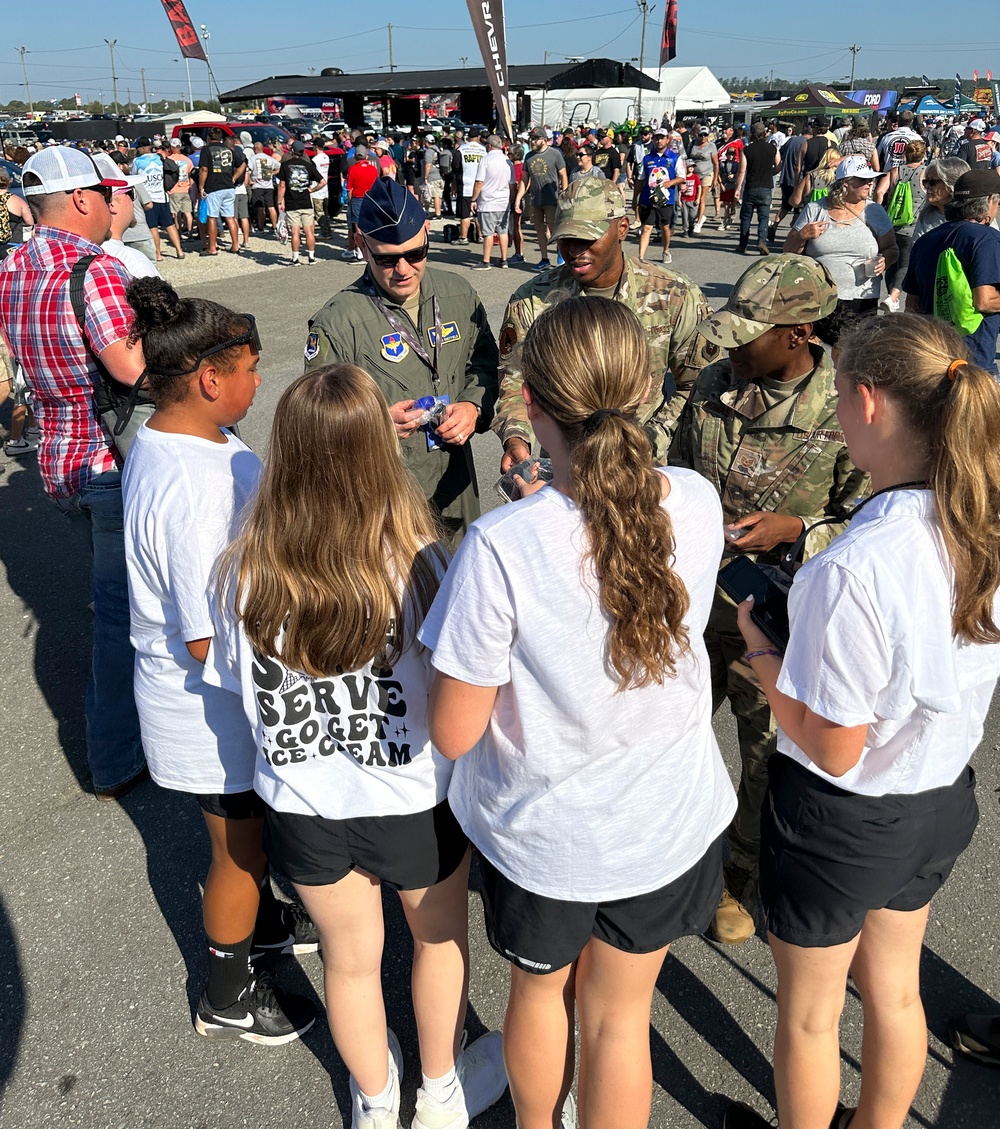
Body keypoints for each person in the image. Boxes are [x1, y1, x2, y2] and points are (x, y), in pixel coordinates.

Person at [421, 296, 737, 1129]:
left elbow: (454, 730)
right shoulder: (697, 501)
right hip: (665, 818)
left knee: (541, 993)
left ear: (528, 405)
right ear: (648, 386)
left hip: (547, 837)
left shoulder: (500, 545)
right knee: (619, 1015)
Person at [206, 365, 508, 1126]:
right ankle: (441, 1090)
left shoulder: (241, 569)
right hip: (413, 795)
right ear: (381, 448)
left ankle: (375, 1100)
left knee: (350, 957)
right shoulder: (425, 563)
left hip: (302, 800)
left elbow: (236, 690)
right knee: (437, 941)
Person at [725, 313, 1000, 1129]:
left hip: (843, 820)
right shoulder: (979, 521)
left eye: (840, 394)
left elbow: (837, 746)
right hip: (938, 796)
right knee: (896, 988)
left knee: (811, 1015)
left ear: (869, 403)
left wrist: (766, 663)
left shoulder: (854, 566)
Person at [120, 278, 318, 1045]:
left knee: (251, 836)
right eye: (249, 368)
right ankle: (228, 990)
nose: (258, 380)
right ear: (209, 379)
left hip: (217, 697)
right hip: (208, 705)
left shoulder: (185, 438)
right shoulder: (192, 486)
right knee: (235, 850)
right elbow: (209, 639)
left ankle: (263, 921)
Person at [670, 256, 869, 944]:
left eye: (750, 332)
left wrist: (802, 532)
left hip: (777, 623)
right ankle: (669, 853)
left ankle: (738, 874)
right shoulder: (713, 385)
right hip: (691, 607)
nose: (732, 345)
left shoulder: (848, 411)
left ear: (798, 334)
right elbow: (664, 462)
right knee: (669, 731)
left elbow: (872, 522)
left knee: (762, 753)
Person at [0, 146, 146, 798]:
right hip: (103, 459)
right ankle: (114, 755)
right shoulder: (95, 269)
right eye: (107, 194)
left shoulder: (13, 266)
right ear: (85, 199)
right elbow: (130, 368)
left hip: (55, 461)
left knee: (114, 595)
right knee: (119, 614)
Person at [304, 178, 498, 546]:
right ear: (362, 245)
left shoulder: (458, 294)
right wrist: (374, 424)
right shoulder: (337, 322)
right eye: (387, 259)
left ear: (427, 234)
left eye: (416, 254)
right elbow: (316, 421)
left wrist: (473, 407)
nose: (404, 269)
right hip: (385, 497)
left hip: (456, 487)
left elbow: (486, 366)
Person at [494, 175, 709, 473]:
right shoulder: (533, 299)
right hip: (563, 465)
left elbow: (697, 384)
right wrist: (517, 437)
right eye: (566, 239)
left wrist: (648, 440)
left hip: (642, 467)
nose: (574, 250)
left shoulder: (674, 295)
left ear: (622, 228)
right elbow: (516, 379)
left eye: (588, 238)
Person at [783, 155, 898, 340]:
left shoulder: (875, 211)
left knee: (853, 354)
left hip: (861, 298)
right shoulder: (815, 209)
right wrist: (803, 235)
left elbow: (892, 249)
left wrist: (885, 261)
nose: (870, 184)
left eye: (871, 180)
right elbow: (788, 251)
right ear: (845, 183)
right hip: (818, 296)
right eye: (863, 180)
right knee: (814, 352)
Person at [904, 166, 1000, 372]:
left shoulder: (925, 240)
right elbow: (984, 300)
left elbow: (912, 305)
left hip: (933, 356)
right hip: (973, 359)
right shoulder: (985, 238)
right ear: (990, 200)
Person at [881, 138, 926, 308]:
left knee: (892, 262)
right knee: (905, 264)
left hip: (891, 225)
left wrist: (881, 211)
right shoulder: (926, 173)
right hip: (913, 227)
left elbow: (879, 192)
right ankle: (893, 297)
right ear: (923, 155)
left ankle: (890, 296)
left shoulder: (894, 171)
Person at [513, 129, 567, 269]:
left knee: (553, 229)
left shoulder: (555, 154)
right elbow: (525, 179)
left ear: (544, 139)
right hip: (535, 199)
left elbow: (563, 175)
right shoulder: (529, 156)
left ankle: (561, 254)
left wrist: (564, 193)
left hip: (552, 198)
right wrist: (519, 198)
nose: (532, 141)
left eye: (536, 139)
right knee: (539, 229)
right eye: (531, 138)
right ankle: (544, 259)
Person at [637, 127, 686, 263]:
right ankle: (641, 257)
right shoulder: (647, 159)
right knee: (646, 227)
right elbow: (640, 179)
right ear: (653, 139)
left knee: (664, 227)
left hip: (666, 199)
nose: (659, 141)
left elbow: (682, 177)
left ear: (667, 140)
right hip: (648, 198)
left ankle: (665, 250)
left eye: (662, 138)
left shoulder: (674, 158)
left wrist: (670, 183)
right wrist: (636, 197)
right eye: (657, 138)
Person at [132, 138, 183, 261]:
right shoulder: (160, 158)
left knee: (152, 227)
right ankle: (179, 251)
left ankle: (158, 254)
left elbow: (133, 177)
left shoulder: (138, 161)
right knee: (169, 224)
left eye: (138, 148)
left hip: (148, 198)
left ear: (142, 148)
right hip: (162, 196)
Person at [197, 128, 245, 256]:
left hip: (214, 187)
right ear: (221, 138)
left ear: (209, 138)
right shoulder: (228, 150)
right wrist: (233, 178)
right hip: (229, 187)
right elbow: (242, 165)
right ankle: (235, 245)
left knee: (212, 217)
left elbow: (203, 169)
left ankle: (212, 248)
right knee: (230, 217)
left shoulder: (206, 150)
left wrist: (201, 187)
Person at [734, 123, 780, 256]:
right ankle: (761, 242)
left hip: (751, 186)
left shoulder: (747, 149)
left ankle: (743, 244)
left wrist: (738, 188)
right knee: (763, 217)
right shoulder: (772, 148)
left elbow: (742, 171)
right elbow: (779, 165)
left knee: (746, 217)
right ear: (765, 133)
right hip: (766, 186)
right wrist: (770, 173)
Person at [276, 139, 323, 265]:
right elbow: (323, 181)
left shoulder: (285, 165)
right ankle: (311, 257)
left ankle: (295, 258)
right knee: (309, 231)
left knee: (295, 232)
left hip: (292, 202)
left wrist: (279, 201)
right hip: (306, 202)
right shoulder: (308, 165)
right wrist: (311, 190)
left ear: (292, 150)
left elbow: (282, 185)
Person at [471, 134, 514, 268]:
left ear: (489, 146)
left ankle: (486, 261)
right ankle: (504, 259)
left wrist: (473, 199)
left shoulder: (486, 160)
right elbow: (512, 184)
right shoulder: (507, 161)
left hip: (488, 202)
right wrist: (511, 200)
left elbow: (479, 182)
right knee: (503, 231)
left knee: (488, 233)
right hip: (503, 201)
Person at [911, 155, 970, 241]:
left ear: (951, 185)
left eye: (932, 182)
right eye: (925, 181)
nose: (926, 186)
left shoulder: (974, 219)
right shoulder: (926, 214)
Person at [343, 144, 379, 261]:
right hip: (371, 199)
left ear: (355, 156)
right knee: (370, 224)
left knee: (357, 226)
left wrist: (350, 202)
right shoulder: (373, 169)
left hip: (357, 199)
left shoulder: (352, 169)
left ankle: (360, 251)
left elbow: (349, 189)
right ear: (366, 156)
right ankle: (371, 248)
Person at [456, 129, 487, 245]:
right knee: (478, 213)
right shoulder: (484, 150)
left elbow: (455, 167)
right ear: (478, 137)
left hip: (465, 186)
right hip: (480, 187)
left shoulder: (461, 150)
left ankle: (463, 238)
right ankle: (481, 236)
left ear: (467, 138)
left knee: (465, 214)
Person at [686, 126, 719, 233]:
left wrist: (715, 179)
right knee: (694, 197)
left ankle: (699, 222)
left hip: (707, 173)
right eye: (701, 135)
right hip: (694, 174)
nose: (703, 137)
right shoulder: (693, 144)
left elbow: (716, 163)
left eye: (705, 135)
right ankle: (699, 216)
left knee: (701, 198)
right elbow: (686, 158)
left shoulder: (711, 146)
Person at [0, 166, 33, 260]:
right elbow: (29, 224)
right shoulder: (18, 201)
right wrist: (26, 241)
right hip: (12, 247)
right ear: (9, 181)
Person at [166, 138, 195, 238]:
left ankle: (179, 234)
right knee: (188, 213)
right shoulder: (187, 160)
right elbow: (191, 175)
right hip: (186, 188)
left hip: (174, 189)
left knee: (176, 213)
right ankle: (190, 234)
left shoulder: (169, 160)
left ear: (171, 147)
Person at [421, 134, 444, 220]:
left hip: (433, 176)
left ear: (427, 142)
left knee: (435, 195)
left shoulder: (429, 152)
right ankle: (438, 211)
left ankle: (437, 214)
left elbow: (428, 165)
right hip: (439, 175)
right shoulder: (438, 149)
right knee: (439, 194)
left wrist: (425, 177)